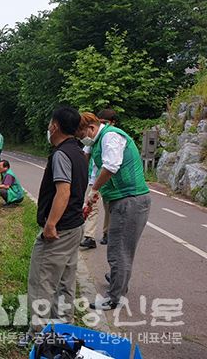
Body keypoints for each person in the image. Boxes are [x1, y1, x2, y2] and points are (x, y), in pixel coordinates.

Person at [22, 107, 87, 344]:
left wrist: (50, 224)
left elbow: (64, 191)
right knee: (65, 281)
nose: (48, 126)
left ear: (55, 126)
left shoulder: (61, 154)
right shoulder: (79, 152)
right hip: (74, 226)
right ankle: (64, 329)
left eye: (50, 122)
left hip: (59, 230)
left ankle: (38, 335)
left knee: (42, 280)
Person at [81, 110, 151, 311]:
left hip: (130, 200)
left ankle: (113, 297)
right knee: (122, 249)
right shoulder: (97, 143)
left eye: (82, 135)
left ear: (92, 128)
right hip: (123, 200)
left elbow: (111, 166)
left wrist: (94, 190)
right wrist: (92, 195)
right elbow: (96, 171)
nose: (82, 140)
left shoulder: (111, 136)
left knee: (118, 250)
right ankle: (119, 283)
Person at [77, 113, 102, 249]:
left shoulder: (108, 138)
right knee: (92, 207)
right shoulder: (91, 141)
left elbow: (110, 167)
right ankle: (89, 236)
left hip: (103, 180)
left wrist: (93, 189)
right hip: (94, 180)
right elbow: (84, 157)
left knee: (110, 209)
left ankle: (106, 233)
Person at [95, 109, 118, 245]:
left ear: (112, 122)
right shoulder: (98, 137)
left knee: (112, 208)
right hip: (100, 178)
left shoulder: (114, 136)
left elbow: (112, 165)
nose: (102, 125)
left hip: (112, 180)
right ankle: (105, 233)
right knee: (106, 207)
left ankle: (109, 233)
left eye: (105, 122)